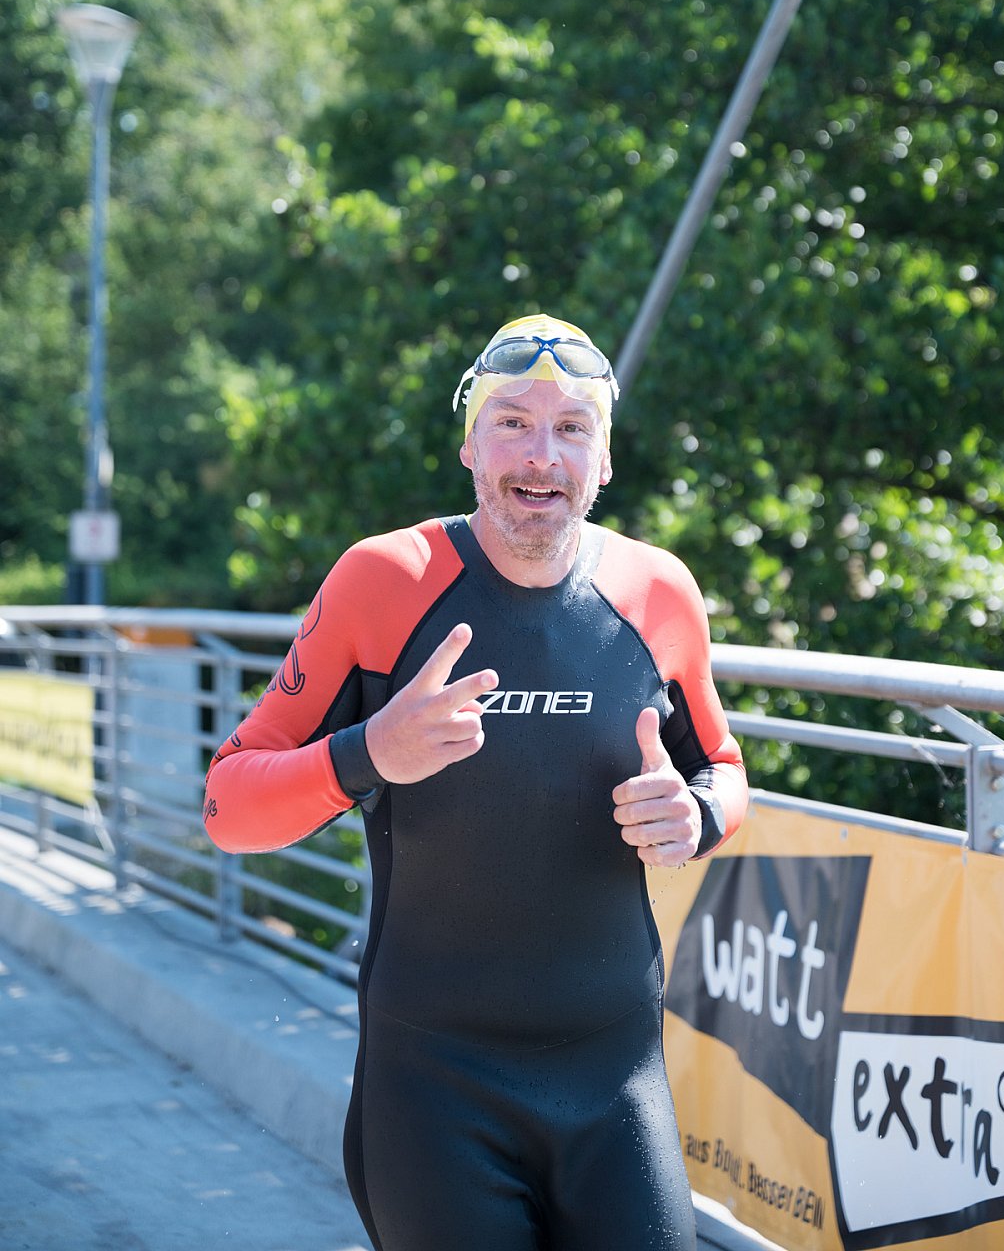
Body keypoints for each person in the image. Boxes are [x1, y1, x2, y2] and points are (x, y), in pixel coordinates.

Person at [203, 313, 748, 1251]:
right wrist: (368, 753)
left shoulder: (658, 592)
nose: (541, 454)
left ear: (603, 461)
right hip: (434, 1089)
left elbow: (724, 771)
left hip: (616, 1080)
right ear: (468, 446)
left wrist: (693, 816)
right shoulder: (383, 579)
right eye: (512, 423)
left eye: (571, 428)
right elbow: (227, 806)